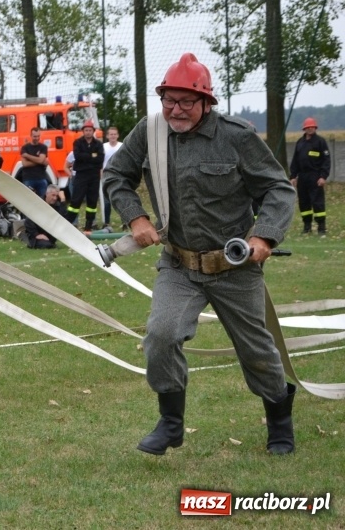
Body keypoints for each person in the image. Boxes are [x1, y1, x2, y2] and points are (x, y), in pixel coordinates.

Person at [104, 53, 297, 456]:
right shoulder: (151, 131)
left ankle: (280, 422)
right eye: (168, 100)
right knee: (161, 334)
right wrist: (135, 217)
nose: (175, 110)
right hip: (178, 263)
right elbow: (116, 174)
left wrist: (265, 237)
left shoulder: (237, 135)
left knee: (257, 350)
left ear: (206, 101)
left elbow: (278, 190)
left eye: (185, 102)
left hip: (235, 266)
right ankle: (171, 423)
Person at [290, 117, 330, 235]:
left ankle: (321, 228)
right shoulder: (300, 142)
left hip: (316, 177)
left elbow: (326, 161)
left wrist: (323, 176)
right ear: (304, 129)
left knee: (317, 202)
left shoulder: (320, 142)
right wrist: (293, 176)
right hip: (302, 177)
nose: (310, 129)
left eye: (312, 127)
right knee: (304, 203)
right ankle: (306, 227)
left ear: (315, 127)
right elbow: (295, 161)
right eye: (308, 127)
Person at [65, 120, 104, 232]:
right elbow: (77, 156)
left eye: (90, 130)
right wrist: (92, 156)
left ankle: (89, 226)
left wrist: (86, 157)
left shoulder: (98, 144)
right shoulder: (78, 143)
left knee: (92, 202)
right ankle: (67, 224)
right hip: (81, 175)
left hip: (94, 176)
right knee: (75, 201)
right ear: (83, 131)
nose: (88, 132)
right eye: (86, 130)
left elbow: (100, 159)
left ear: (93, 131)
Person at [22, 184, 65, 249]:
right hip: (36, 233)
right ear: (47, 193)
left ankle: (50, 243)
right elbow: (28, 221)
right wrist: (37, 235)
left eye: (56, 196)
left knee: (49, 244)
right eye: (53, 195)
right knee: (46, 245)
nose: (55, 198)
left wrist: (63, 200)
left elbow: (63, 218)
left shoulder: (57, 205)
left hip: (49, 234)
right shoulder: (38, 204)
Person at [100, 126, 123, 229]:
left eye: (115, 134)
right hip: (106, 176)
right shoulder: (103, 147)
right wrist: (101, 175)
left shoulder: (122, 146)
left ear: (117, 135)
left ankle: (125, 222)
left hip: (120, 175)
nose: (113, 136)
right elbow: (100, 162)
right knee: (107, 201)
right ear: (107, 136)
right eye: (111, 134)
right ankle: (107, 223)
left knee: (122, 199)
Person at [19, 127, 49, 198]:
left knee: (43, 200)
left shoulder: (43, 147)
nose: (37, 138)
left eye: (38, 136)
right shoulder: (25, 148)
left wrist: (27, 156)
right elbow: (25, 164)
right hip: (28, 178)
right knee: (28, 199)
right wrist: (40, 161)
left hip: (41, 178)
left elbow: (41, 160)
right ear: (31, 136)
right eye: (35, 136)